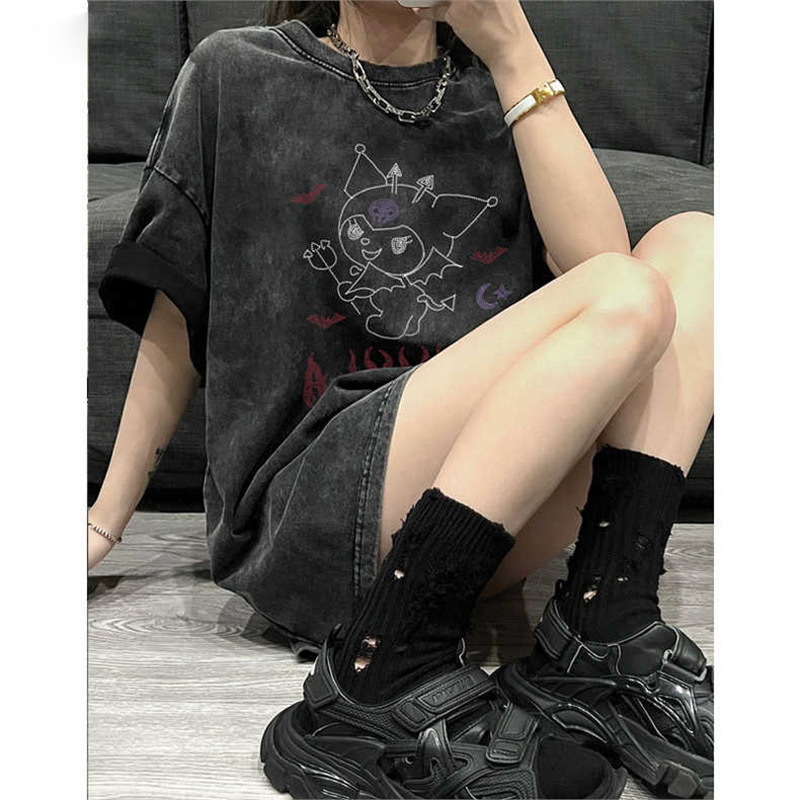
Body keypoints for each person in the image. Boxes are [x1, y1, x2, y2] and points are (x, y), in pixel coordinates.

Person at [89, 1, 714, 797]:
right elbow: (175, 312)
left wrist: (514, 51)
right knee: (626, 292)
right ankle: (377, 675)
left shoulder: (499, 85)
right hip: (316, 510)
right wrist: (104, 519)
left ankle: (602, 633)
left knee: (698, 246)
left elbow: (618, 297)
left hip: (477, 525)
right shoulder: (237, 71)